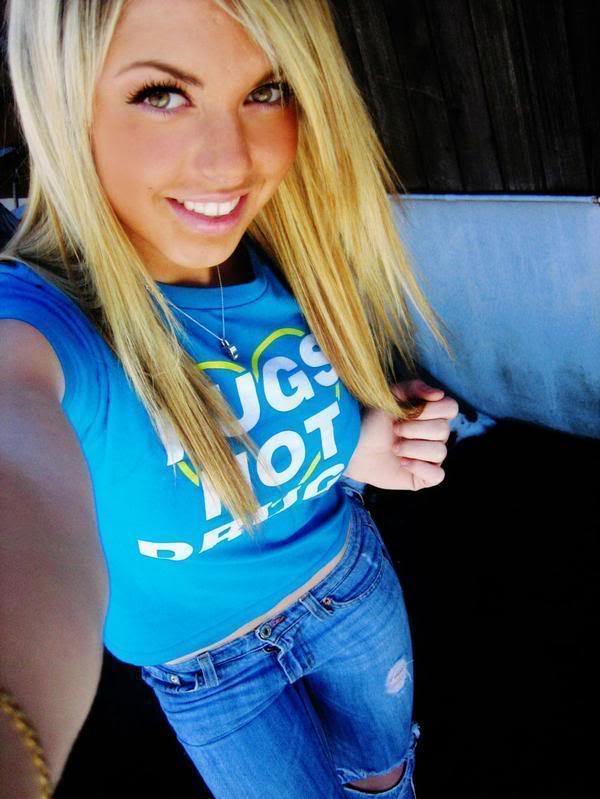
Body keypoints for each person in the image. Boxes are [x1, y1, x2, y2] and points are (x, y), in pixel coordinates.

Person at [0, 1, 458, 797]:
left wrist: (360, 444)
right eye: (162, 94)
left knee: (386, 780)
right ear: (63, 101)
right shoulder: (43, 326)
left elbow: (275, 435)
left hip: (348, 587)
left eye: (266, 90)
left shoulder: (288, 252)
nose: (231, 162)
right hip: (210, 673)